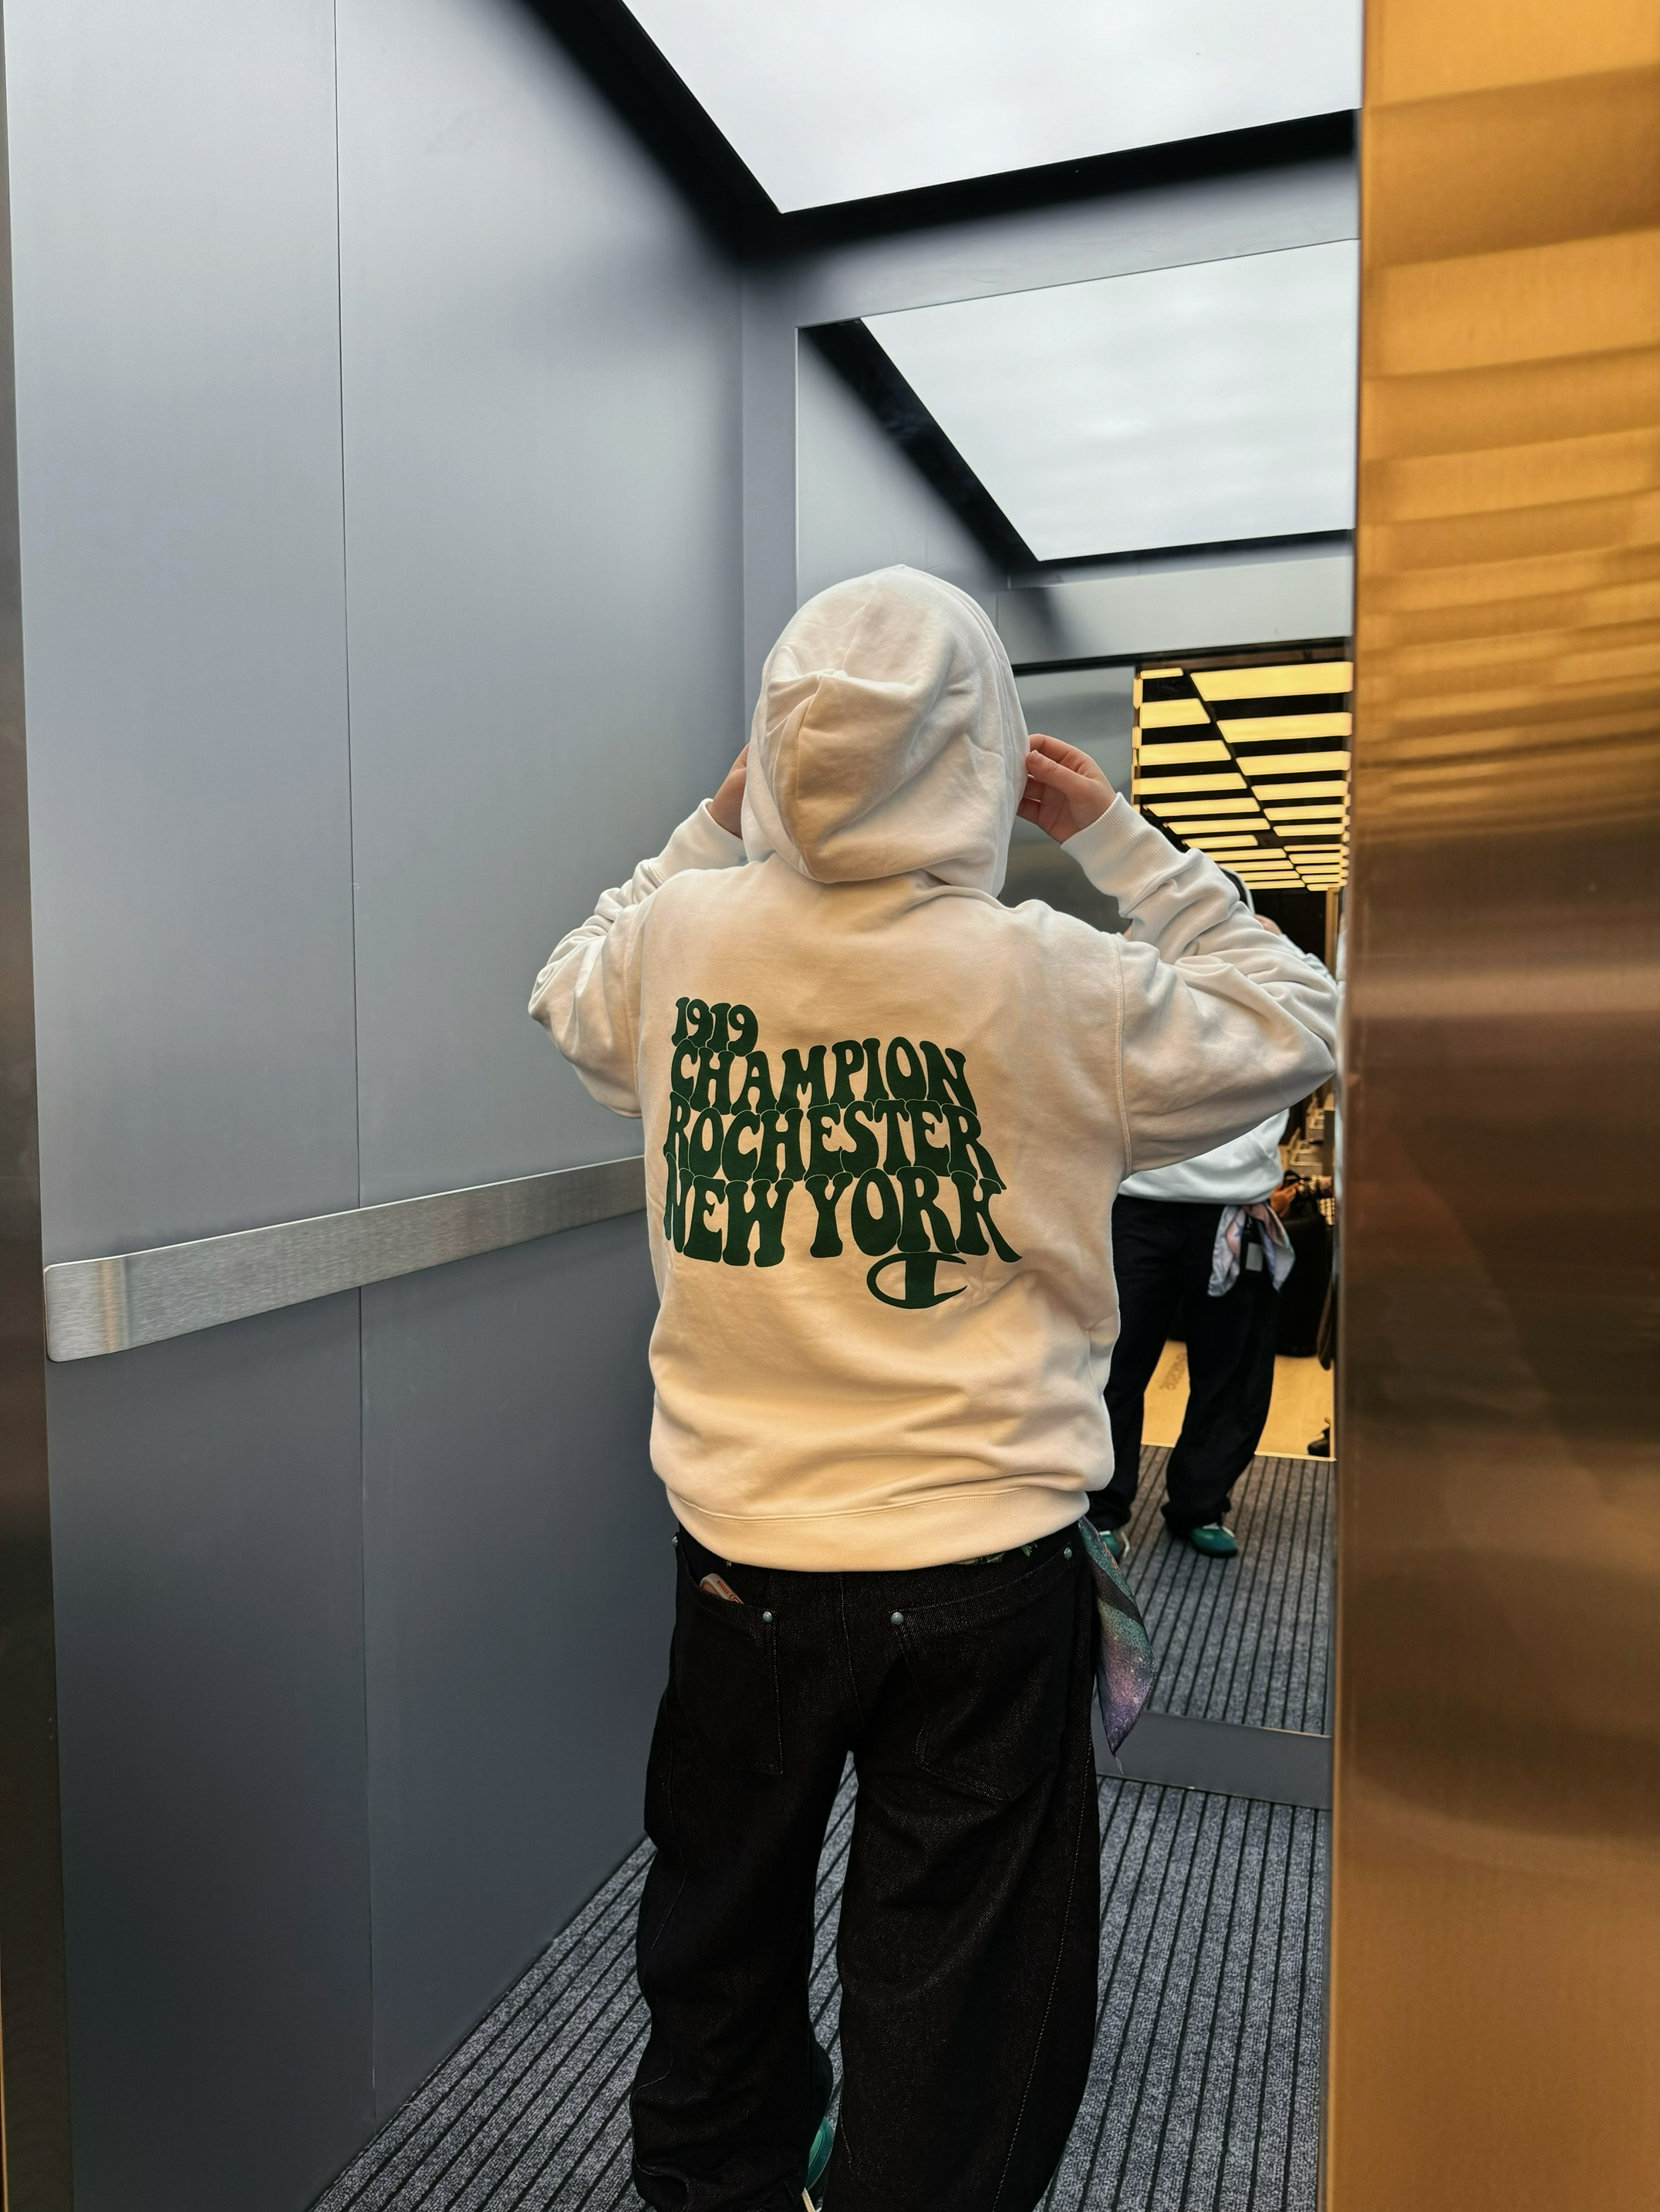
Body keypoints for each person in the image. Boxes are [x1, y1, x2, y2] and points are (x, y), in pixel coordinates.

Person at [528, 568, 1337, 2212]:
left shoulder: (684, 944)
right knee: (955, 1995)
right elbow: (1297, 1022)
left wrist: (716, 821)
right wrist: (1116, 837)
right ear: (981, 747)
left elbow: (568, 990)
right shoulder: (1049, 975)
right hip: (978, 1575)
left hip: (742, 1565)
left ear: (776, 741)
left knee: (715, 1951)